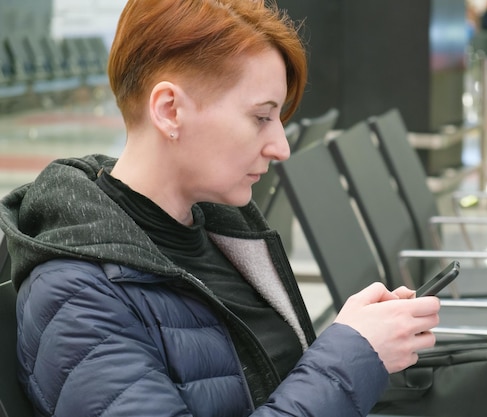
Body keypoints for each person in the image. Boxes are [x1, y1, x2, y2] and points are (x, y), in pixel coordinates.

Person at [0, 0, 441, 416]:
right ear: (170, 110)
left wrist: (359, 339)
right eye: (261, 117)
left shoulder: (224, 233)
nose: (282, 147)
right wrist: (353, 355)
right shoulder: (77, 295)